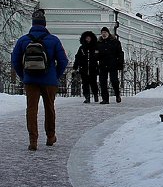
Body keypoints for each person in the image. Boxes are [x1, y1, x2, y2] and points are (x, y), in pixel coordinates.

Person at [11, 9, 68, 150]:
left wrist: (24, 76)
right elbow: (63, 61)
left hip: (31, 80)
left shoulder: (23, 40)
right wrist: (55, 75)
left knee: (31, 109)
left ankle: (33, 140)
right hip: (49, 80)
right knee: (49, 108)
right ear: (45, 24)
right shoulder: (53, 40)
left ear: (33, 23)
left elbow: (15, 61)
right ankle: (50, 136)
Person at [96, 26, 124, 104]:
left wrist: (120, 63)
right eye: (102, 33)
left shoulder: (115, 42)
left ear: (108, 33)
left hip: (113, 64)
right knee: (102, 82)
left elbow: (120, 53)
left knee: (114, 80)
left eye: (105, 32)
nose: (104, 34)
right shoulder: (98, 43)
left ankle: (117, 94)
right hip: (102, 64)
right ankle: (105, 99)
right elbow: (95, 54)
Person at [73, 30, 100, 103]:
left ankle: (95, 95)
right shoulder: (82, 48)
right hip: (84, 69)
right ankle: (87, 97)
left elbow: (99, 57)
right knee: (85, 84)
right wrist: (75, 66)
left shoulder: (95, 47)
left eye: (89, 38)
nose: (88, 39)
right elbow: (77, 57)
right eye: (86, 38)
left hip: (93, 68)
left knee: (93, 83)